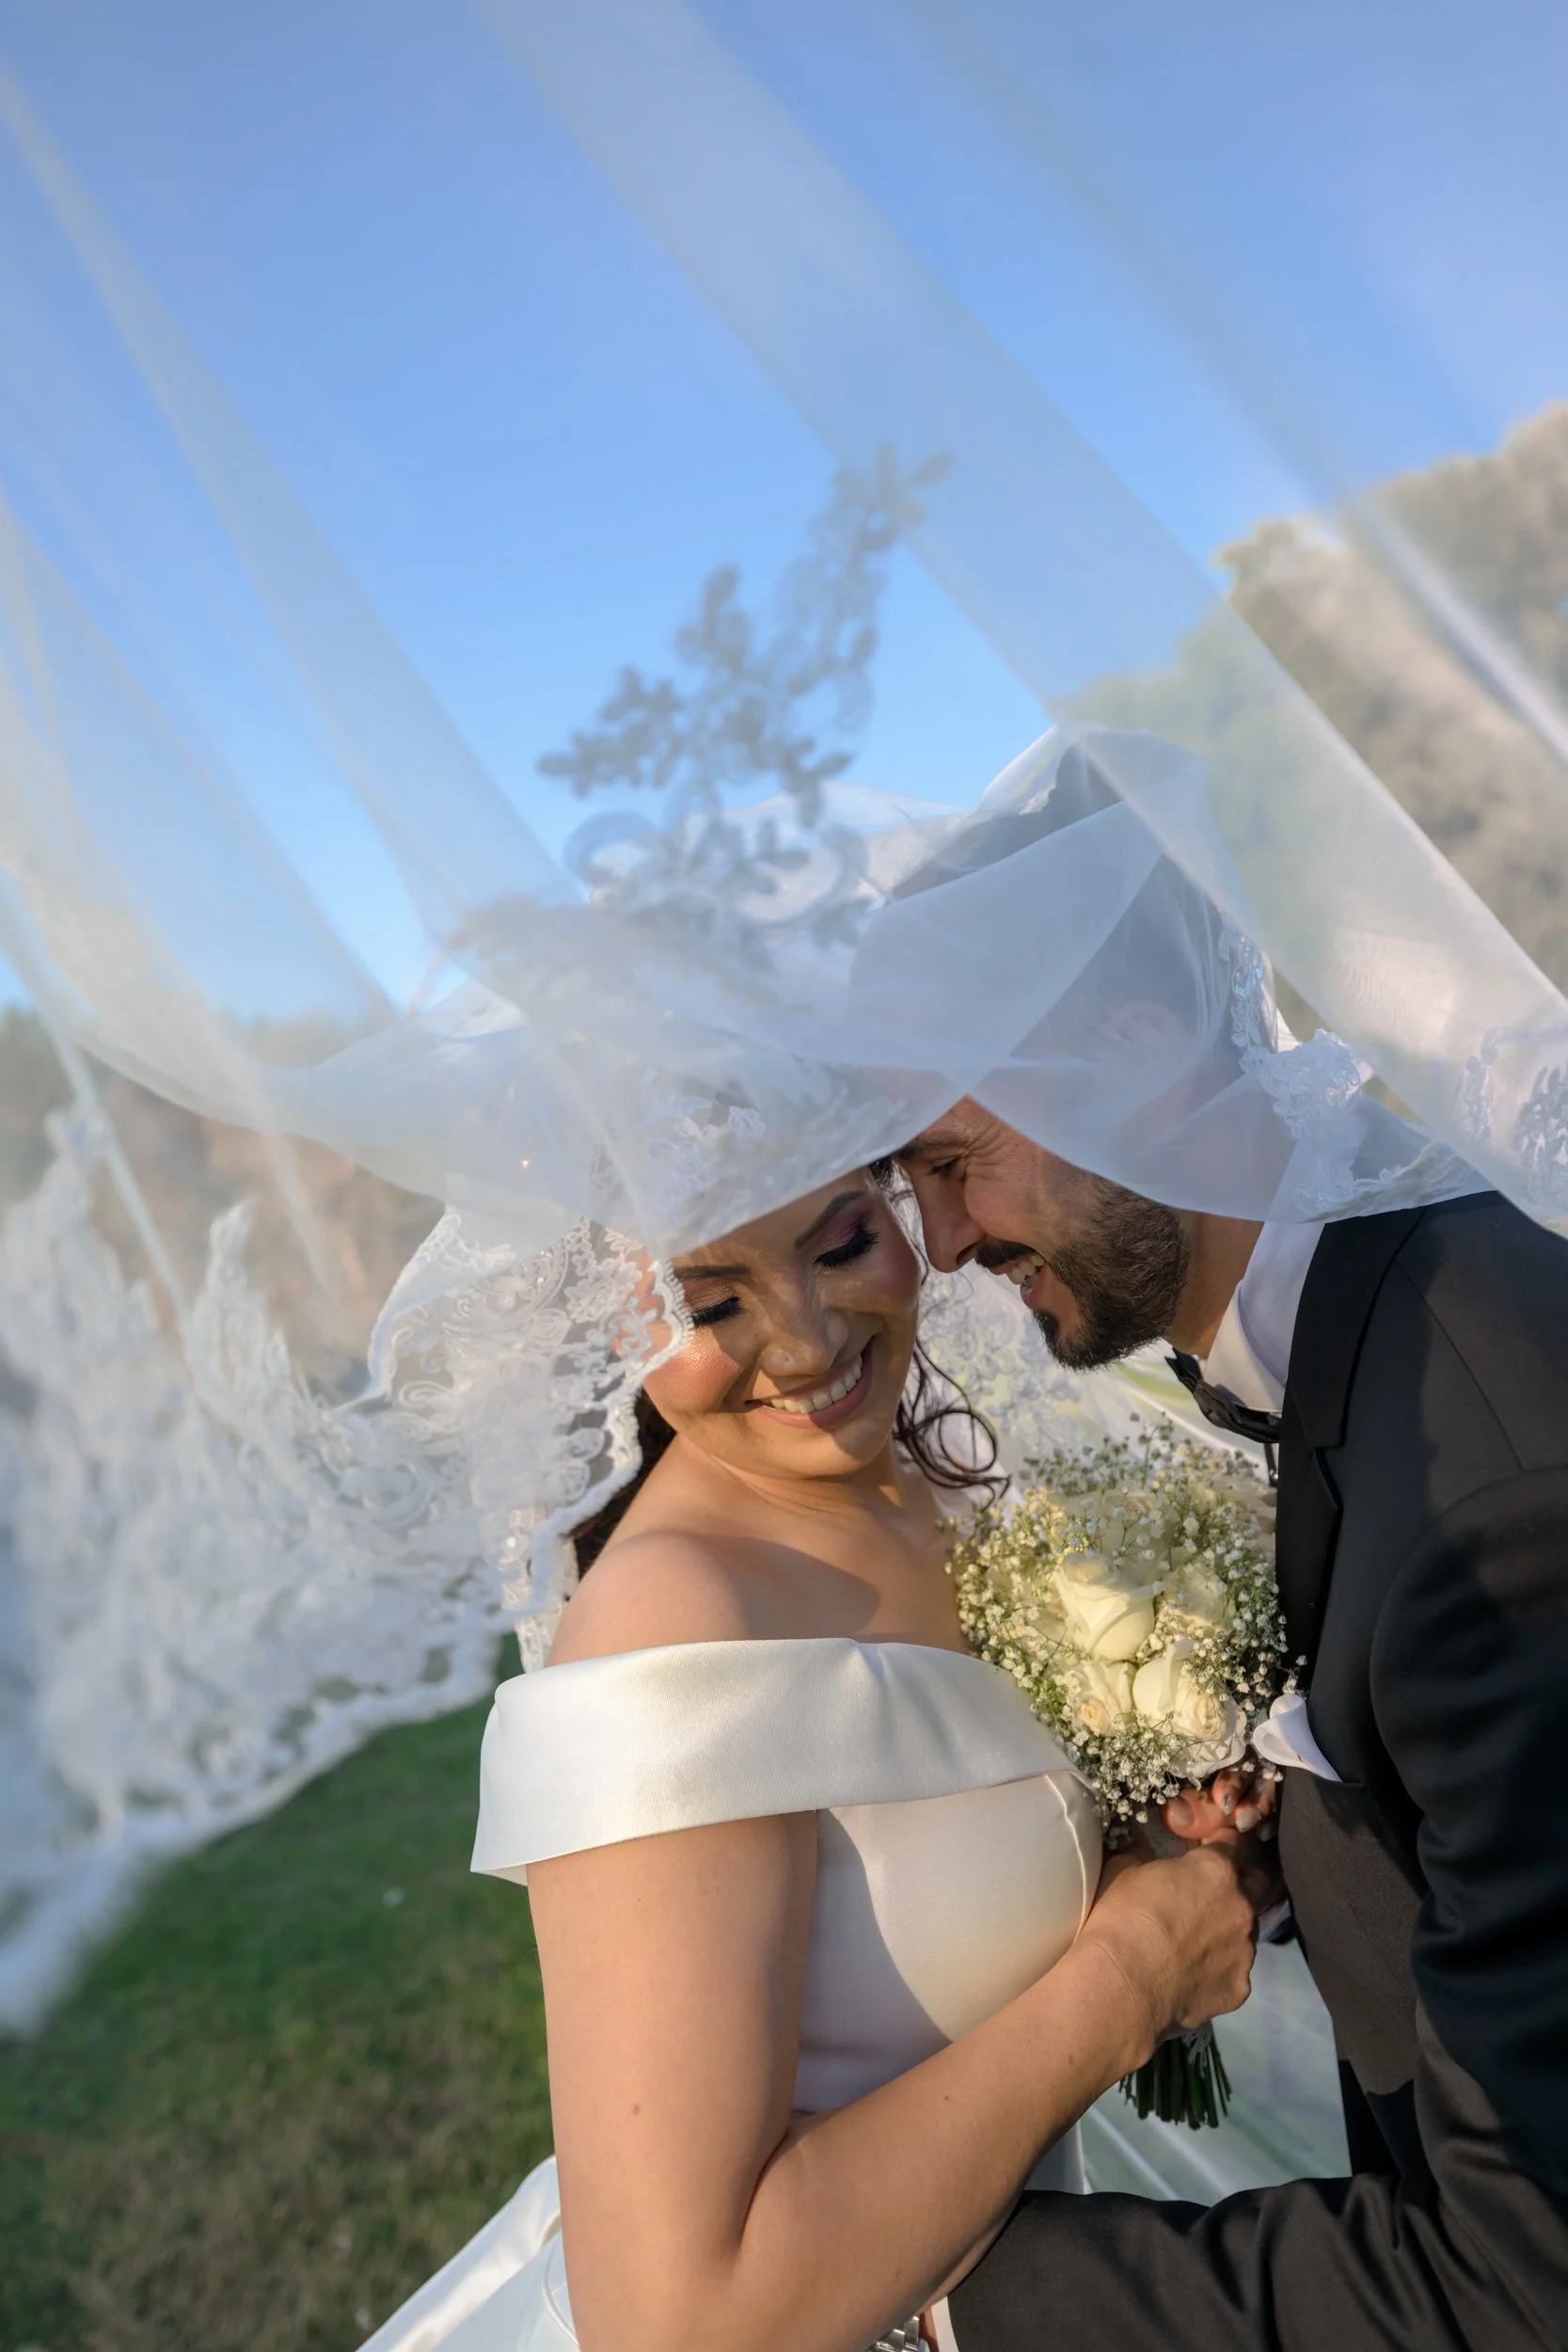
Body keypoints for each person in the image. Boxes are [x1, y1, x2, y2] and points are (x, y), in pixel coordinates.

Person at [362, 1167, 1261, 2352]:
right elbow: (675, 2324)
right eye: (707, 1304)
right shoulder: (675, 1623)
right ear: (604, 1329)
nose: (808, 1339)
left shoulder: (923, 1484)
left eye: (839, 1243)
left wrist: (1144, 1842)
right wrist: (1127, 1984)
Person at [894, 1102, 1568, 2349]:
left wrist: (947, 2299)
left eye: (951, 1165)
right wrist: (1292, 1844)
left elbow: (1530, 2283)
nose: (937, 1244)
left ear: (1130, 1058)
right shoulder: (1396, 1292)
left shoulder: (1496, 1509)